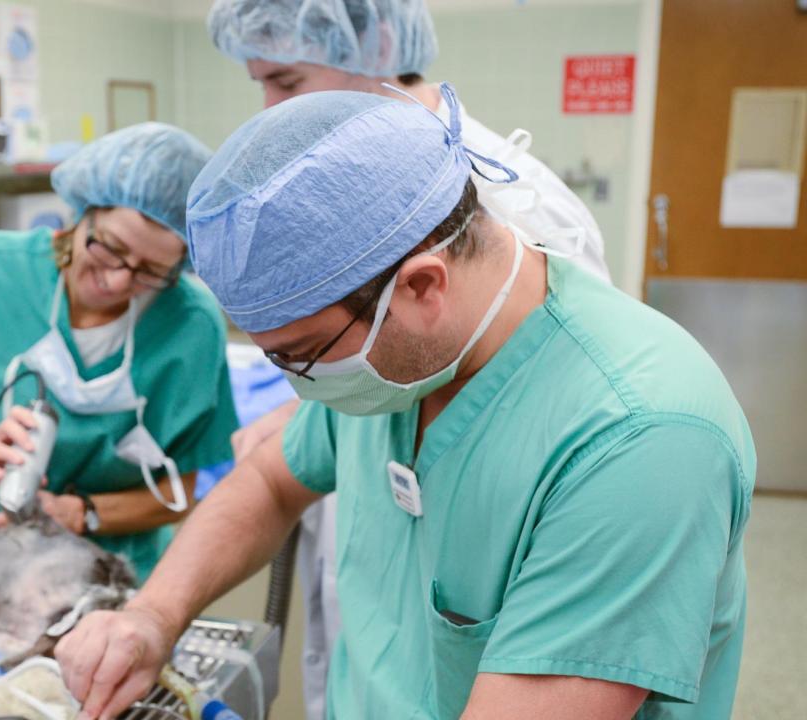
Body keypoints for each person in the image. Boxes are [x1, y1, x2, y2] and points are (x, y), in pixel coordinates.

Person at [55, 87, 753, 719]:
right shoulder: (397, 357)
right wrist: (152, 616)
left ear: (420, 287)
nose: (297, 385)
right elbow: (270, 480)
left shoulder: (640, 440)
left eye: (299, 355)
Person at [206, 2, 613, 712]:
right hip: (376, 591)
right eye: (259, 84)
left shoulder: (520, 207)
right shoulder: (344, 177)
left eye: (286, 80)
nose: (270, 110)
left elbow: (557, 413)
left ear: (379, 44)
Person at [0, 122, 240, 582]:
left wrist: (82, 514)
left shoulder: (191, 323)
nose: (118, 281)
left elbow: (180, 489)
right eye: (110, 249)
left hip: (110, 575)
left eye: (151, 272)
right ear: (83, 211)